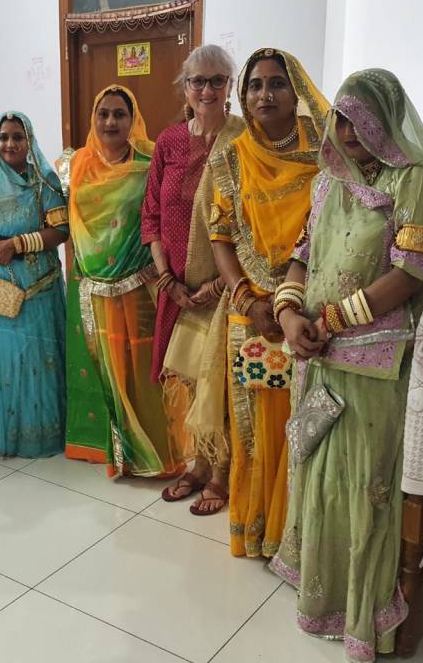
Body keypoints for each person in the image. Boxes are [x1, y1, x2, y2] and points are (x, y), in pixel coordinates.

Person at [270, 69, 423, 661]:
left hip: (374, 362)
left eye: (362, 117)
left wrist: (332, 320)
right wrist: (288, 313)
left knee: (366, 488)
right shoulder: (329, 182)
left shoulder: (416, 181)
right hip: (318, 356)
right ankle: (322, 598)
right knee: (321, 479)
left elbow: (409, 274)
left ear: (387, 117)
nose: (349, 130)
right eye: (342, 117)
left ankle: (363, 615)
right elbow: (300, 257)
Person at [207, 47, 329, 557]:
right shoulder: (229, 157)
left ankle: (300, 536)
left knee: (307, 422)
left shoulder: (325, 157)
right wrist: (246, 297)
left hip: (311, 310)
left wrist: (291, 303)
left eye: (276, 83)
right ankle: (259, 530)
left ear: (295, 91)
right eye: (255, 85)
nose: (265, 94)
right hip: (251, 311)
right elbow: (220, 234)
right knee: (255, 426)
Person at [59, 85, 190, 477]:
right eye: (103, 114)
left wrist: (160, 265)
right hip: (93, 287)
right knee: (106, 373)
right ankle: (117, 456)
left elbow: (167, 216)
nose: (110, 122)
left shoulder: (152, 161)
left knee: (146, 373)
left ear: (133, 120)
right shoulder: (74, 165)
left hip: (142, 286)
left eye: (120, 114)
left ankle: (160, 458)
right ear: (93, 119)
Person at [145, 44, 245, 515]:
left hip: (227, 287)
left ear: (230, 87)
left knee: (220, 380)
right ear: (185, 88)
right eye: (197, 81)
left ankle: (222, 472)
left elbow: (252, 221)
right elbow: (151, 216)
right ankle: (198, 463)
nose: (206, 90)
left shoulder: (243, 140)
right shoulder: (168, 142)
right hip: (178, 288)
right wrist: (169, 281)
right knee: (189, 380)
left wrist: (220, 284)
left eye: (217, 80)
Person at [0, 111, 68, 458]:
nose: (9, 144)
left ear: (29, 140)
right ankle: (3, 431)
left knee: (35, 361)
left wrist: (18, 244)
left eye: (17, 137)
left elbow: (61, 231)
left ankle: (39, 435)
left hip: (36, 289)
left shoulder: (44, 181)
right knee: (4, 362)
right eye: (3, 137)